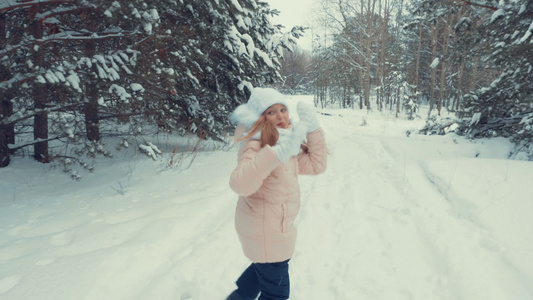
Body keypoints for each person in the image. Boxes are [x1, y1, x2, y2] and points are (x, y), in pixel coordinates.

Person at [226, 87, 328, 300]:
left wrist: (313, 130)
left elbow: (316, 165)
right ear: (260, 118)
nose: (281, 116)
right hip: (266, 231)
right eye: (271, 112)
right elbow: (240, 184)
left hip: (273, 229)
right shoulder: (255, 144)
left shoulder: (286, 141)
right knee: (276, 295)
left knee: (260, 273)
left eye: (283, 109)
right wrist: (275, 154)